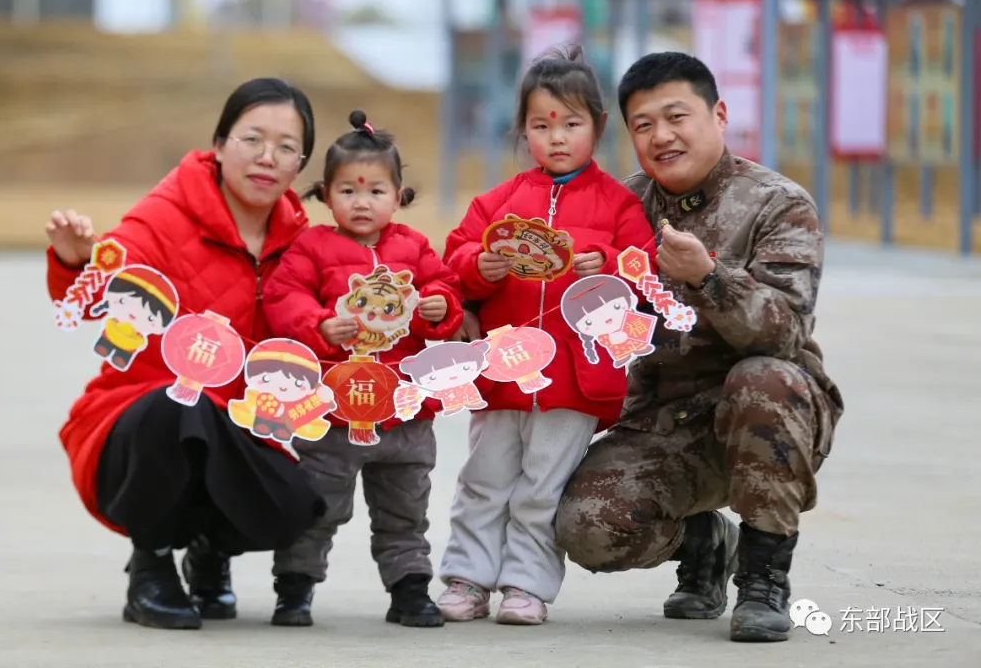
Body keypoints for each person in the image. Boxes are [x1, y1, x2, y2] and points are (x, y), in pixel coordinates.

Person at [552, 51, 845, 642]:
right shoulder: (621, 206)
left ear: (718, 114)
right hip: (665, 419)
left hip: (768, 413)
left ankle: (763, 578)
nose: (662, 136)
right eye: (643, 124)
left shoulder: (778, 203)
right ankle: (707, 543)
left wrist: (708, 276)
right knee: (586, 527)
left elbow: (784, 332)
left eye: (677, 116)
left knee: (763, 377)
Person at [44, 77, 327, 630]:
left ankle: (208, 550)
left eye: (287, 147)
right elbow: (102, 295)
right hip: (135, 424)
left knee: (299, 505)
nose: (267, 157)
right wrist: (78, 261)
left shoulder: (304, 245)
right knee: (182, 405)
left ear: (299, 167)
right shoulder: (163, 214)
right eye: (251, 139)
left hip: (239, 428)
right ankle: (150, 565)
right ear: (219, 145)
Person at [436, 46, 656, 626]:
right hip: (504, 371)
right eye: (541, 125)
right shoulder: (499, 202)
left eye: (571, 124)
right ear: (522, 130)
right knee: (484, 480)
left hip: (574, 382)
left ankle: (526, 586)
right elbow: (452, 259)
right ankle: (467, 577)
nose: (556, 138)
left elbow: (644, 268)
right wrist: (474, 268)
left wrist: (607, 258)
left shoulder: (619, 205)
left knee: (542, 489)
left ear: (599, 127)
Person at [261, 110, 464, 628]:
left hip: (403, 409)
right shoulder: (312, 247)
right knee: (319, 503)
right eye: (347, 191)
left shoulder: (413, 248)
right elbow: (282, 295)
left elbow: (443, 287)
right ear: (325, 197)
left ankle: (409, 588)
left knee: (405, 507)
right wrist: (319, 325)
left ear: (399, 196)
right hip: (331, 410)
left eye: (376, 190)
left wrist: (440, 307)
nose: (362, 201)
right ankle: (295, 587)